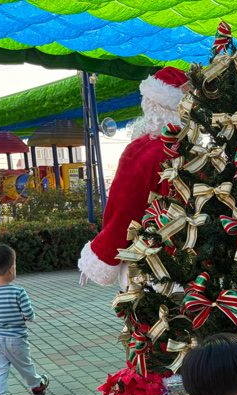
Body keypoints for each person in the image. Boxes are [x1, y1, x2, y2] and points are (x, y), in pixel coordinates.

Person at [77, 66, 189, 288]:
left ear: (150, 105)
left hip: (149, 264)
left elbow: (123, 212)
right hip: (195, 265)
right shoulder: (196, 151)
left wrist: (103, 255)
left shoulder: (140, 151)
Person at [0, 244, 49, 395]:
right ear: (11, 269)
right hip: (16, 339)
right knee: (24, 366)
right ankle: (37, 386)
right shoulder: (18, 291)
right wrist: (26, 317)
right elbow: (29, 314)